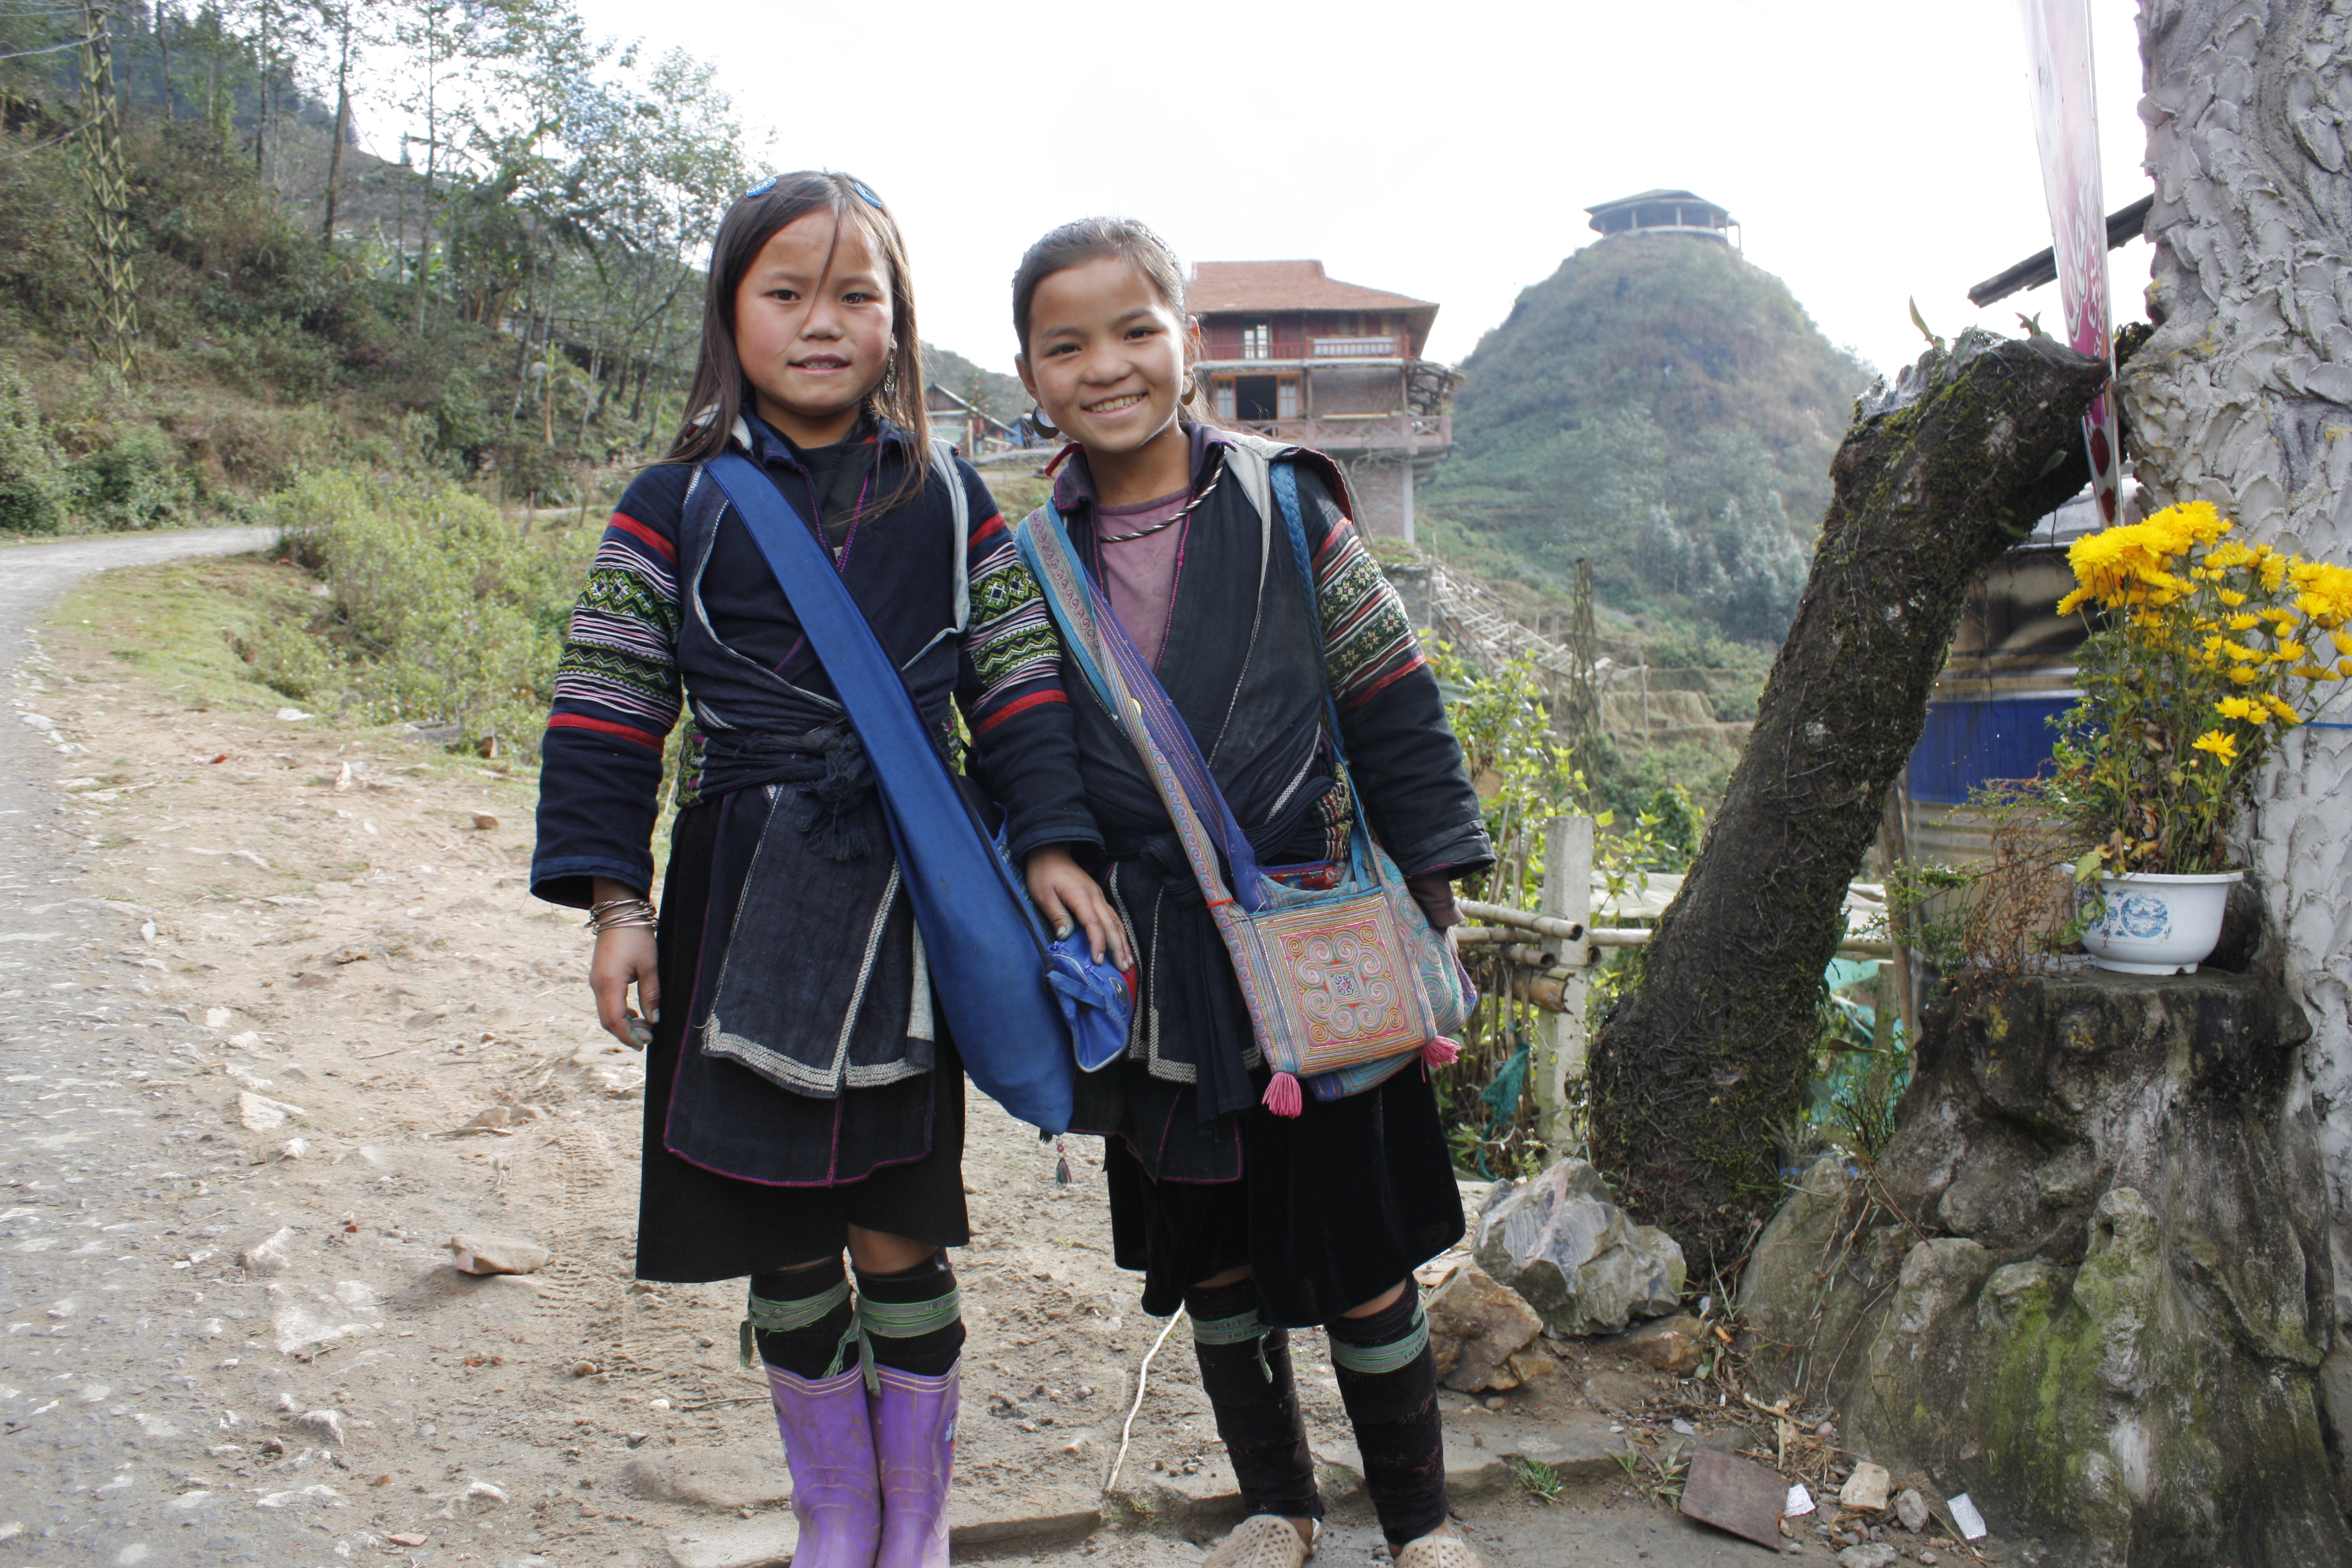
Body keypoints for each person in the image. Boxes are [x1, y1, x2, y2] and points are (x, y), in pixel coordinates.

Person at [531, 171, 1121, 1568]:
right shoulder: (672, 503)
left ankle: (915, 1518)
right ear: (730, 312)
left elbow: (1019, 685)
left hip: (906, 899)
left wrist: (1049, 841)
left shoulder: (952, 499)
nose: (820, 323)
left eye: (857, 295)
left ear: (897, 323)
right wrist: (618, 902)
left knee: (896, 1224)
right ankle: (835, 1515)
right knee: (779, 1232)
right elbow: (610, 702)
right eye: (786, 292)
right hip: (737, 893)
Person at [1007, 218, 1495, 1568]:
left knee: (1365, 1255)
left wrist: (1431, 895)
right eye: (1067, 345)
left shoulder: (1291, 507)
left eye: (1135, 330)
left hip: (1314, 928)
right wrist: (1050, 842)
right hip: (1154, 955)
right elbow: (1020, 729)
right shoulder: (1027, 559)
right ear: (1031, 376)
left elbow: (1392, 696)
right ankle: (1279, 1507)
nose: (1107, 365)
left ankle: (1422, 1524)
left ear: (1190, 343)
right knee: (1211, 1257)